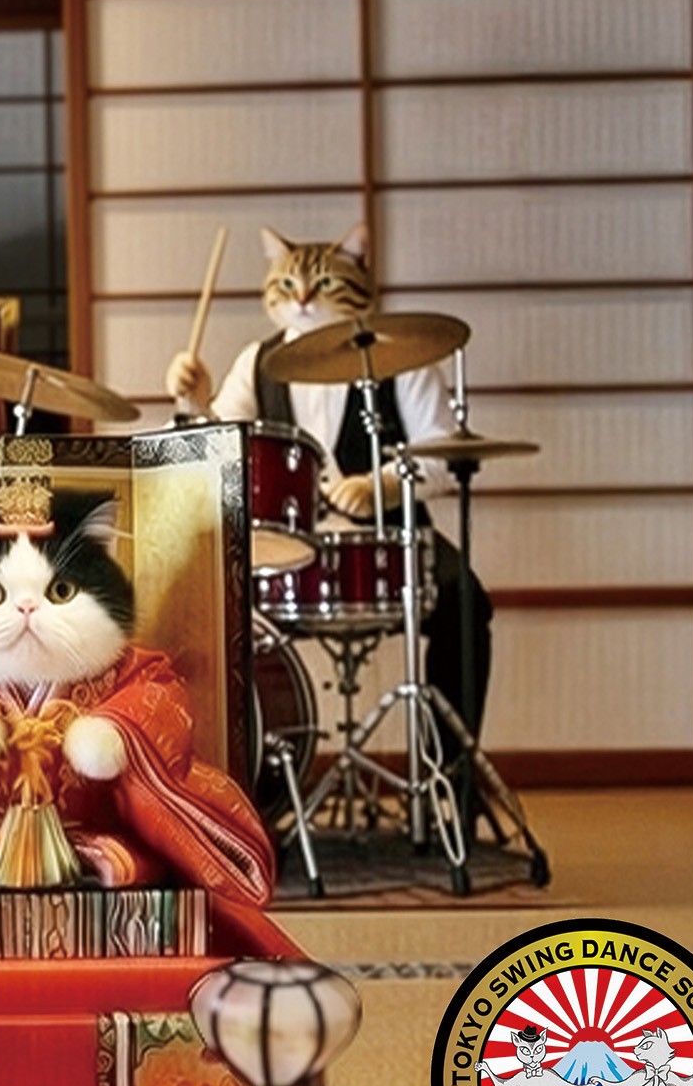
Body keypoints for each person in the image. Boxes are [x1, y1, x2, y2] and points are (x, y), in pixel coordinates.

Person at [165, 228, 494, 739]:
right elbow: (213, 453)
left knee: (466, 604)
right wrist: (196, 402)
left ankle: (450, 768)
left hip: (394, 539)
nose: (302, 298)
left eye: (322, 284)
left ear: (360, 278)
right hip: (283, 545)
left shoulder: (402, 357)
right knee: (202, 608)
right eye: (288, 284)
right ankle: (259, 768)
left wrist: (381, 486)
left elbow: (444, 456)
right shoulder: (256, 361)